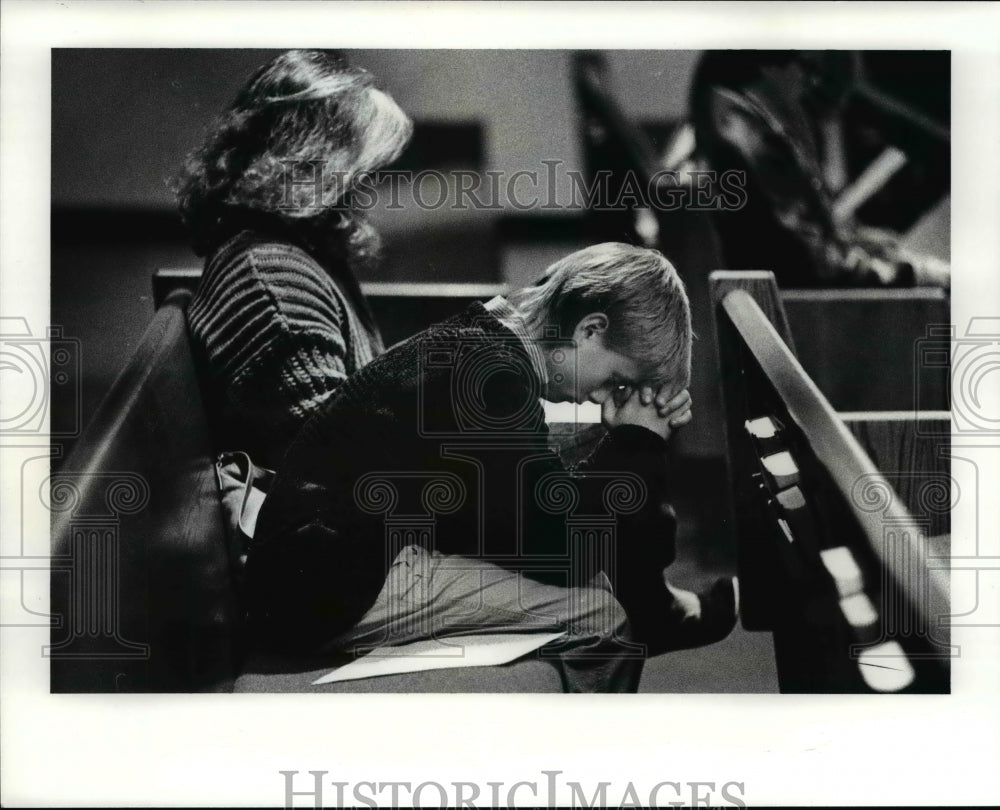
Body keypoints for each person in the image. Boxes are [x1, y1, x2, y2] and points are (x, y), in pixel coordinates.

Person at [246, 243, 738, 693]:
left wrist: (624, 443)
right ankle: (587, 768)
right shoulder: (492, 380)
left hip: (332, 561)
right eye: (617, 380)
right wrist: (636, 440)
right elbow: (564, 552)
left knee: (595, 564)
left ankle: (653, 613)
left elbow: (536, 506)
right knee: (598, 615)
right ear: (590, 330)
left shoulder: (485, 345)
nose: (604, 397)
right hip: (326, 592)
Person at [174, 50, 413, 467]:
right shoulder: (274, 277)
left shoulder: (304, 254)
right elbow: (330, 467)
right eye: (363, 166)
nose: (369, 184)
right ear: (313, 161)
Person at [688, 50, 950, 289]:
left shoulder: (728, 116)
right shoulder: (751, 136)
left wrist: (852, 242)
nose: (811, 83)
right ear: (769, 66)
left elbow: (802, 242)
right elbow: (817, 264)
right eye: (807, 68)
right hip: (809, 317)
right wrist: (916, 273)